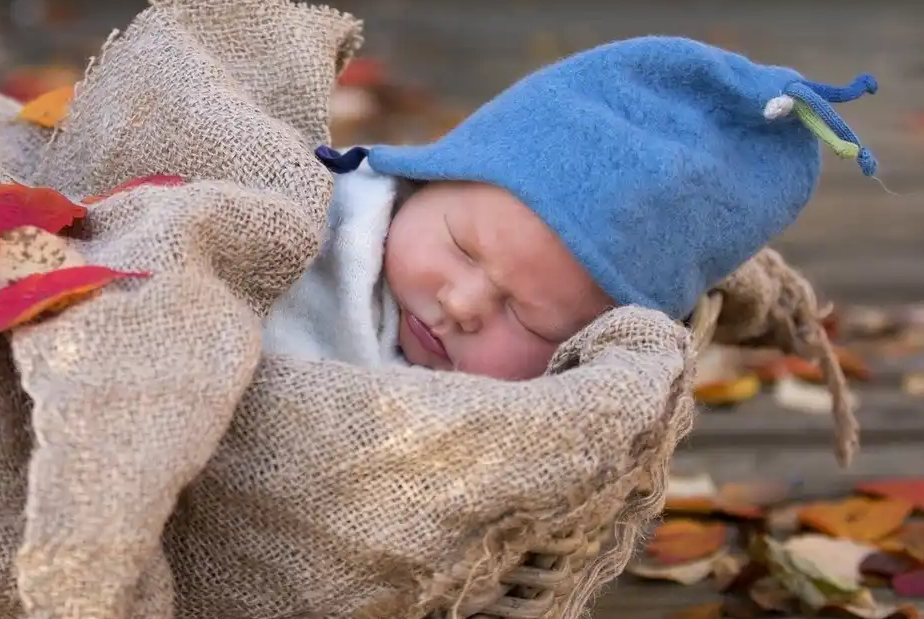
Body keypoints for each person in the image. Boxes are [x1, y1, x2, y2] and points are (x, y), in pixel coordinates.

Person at [261, 35, 879, 378]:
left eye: (528, 320)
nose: (462, 304)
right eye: (462, 246)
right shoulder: (322, 211)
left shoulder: (529, 417)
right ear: (429, 178)